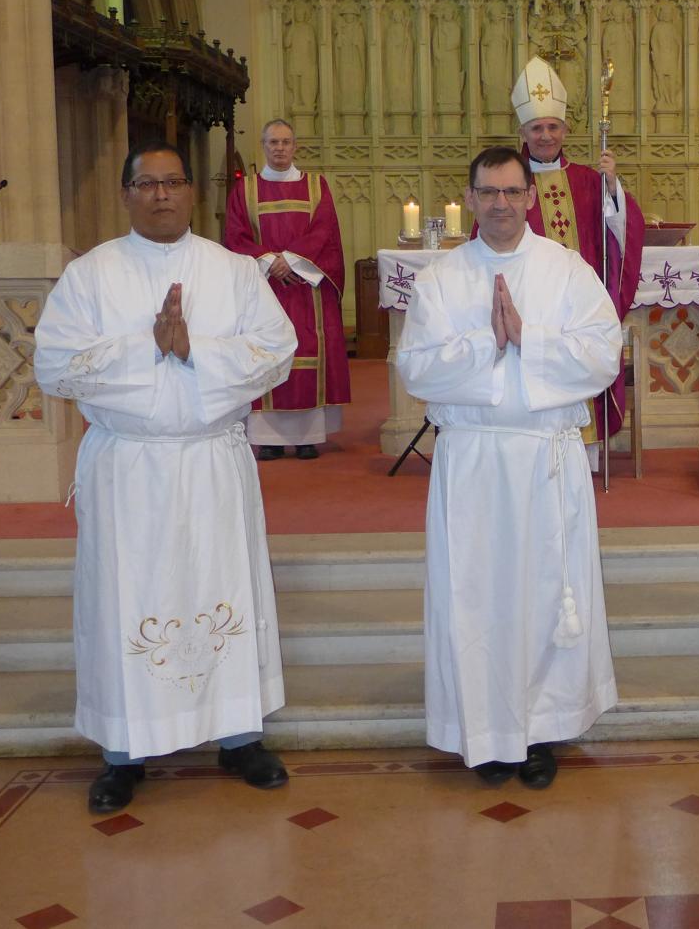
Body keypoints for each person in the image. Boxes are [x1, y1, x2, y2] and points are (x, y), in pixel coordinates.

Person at [34, 141, 298, 813]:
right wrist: (148, 347)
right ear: (126, 194)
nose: (161, 194)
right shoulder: (91, 275)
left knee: (224, 586)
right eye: (146, 184)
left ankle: (239, 736)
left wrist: (195, 350)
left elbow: (277, 352)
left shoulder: (233, 271)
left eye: (173, 181)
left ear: (191, 191)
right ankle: (124, 751)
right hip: (130, 466)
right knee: (127, 596)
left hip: (211, 459)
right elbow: (56, 366)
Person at [399, 146, 623, 789]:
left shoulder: (568, 270)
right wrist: (485, 342)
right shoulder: (441, 278)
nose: (500, 204)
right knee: (477, 599)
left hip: (544, 460)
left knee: (545, 594)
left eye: (511, 192)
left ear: (530, 196)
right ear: (469, 199)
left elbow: (604, 355)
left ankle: (540, 728)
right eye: (487, 193)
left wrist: (531, 338)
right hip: (473, 461)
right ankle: (485, 729)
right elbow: (416, 367)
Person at [505, 56, 646, 453]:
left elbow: (621, 234)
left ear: (565, 129)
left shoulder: (588, 180)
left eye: (552, 127)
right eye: (537, 128)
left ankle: (582, 455)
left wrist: (612, 187)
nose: (545, 135)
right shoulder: (508, 184)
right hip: (529, 310)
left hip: (577, 309)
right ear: (523, 131)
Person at [224, 118, 351, 461]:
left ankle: (308, 436)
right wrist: (268, 262)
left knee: (307, 350)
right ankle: (269, 438)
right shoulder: (245, 189)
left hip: (304, 288)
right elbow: (236, 237)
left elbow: (325, 233)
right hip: (264, 288)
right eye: (272, 143)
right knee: (266, 353)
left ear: (295, 147)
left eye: (285, 142)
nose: (279, 148)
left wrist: (291, 261)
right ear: (263, 146)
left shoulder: (315, 186)